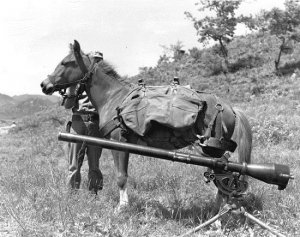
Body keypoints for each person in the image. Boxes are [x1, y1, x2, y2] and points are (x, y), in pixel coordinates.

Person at [63, 51, 104, 193]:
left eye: (99, 61)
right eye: (94, 60)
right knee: (74, 164)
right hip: (78, 121)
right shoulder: (77, 80)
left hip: (96, 123)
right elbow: (68, 105)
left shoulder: (105, 83)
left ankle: (94, 194)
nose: (96, 63)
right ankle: (71, 195)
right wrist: (71, 90)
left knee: (94, 164)